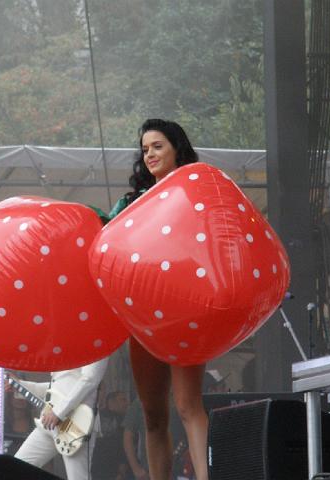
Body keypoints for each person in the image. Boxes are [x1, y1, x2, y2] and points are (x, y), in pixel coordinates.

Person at [105, 119, 209, 480]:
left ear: (177, 147)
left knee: (187, 405)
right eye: (145, 148)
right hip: (144, 319)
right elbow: (107, 245)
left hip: (186, 312)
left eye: (158, 146)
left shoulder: (197, 191)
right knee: (152, 415)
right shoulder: (131, 203)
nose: (149, 154)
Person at [11, 357, 109, 480]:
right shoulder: (64, 348)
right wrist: (21, 385)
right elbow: (56, 388)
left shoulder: (95, 340)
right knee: (15, 469)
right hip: (50, 424)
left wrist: (58, 412)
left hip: (77, 424)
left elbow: (90, 379)